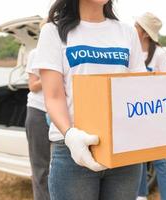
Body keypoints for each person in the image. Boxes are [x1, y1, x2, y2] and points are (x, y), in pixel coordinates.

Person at [32, 0, 146, 199]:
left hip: (123, 150)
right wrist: (70, 134)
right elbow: (54, 96)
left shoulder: (127, 33)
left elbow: (139, 89)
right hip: (72, 153)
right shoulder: (53, 31)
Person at [134, 12, 166, 200]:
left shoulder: (160, 55)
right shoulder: (132, 50)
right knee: (138, 155)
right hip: (136, 112)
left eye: (137, 26)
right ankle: (141, 195)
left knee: (159, 159)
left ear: (145, 33)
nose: (133, 28)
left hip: (155, 113)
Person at [25, 20, 50, 200]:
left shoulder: (63, 51)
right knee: (40, 167)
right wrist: (51, 76)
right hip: (38, 111)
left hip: (59, 113)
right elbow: (33, 86)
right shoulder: (35, 54)